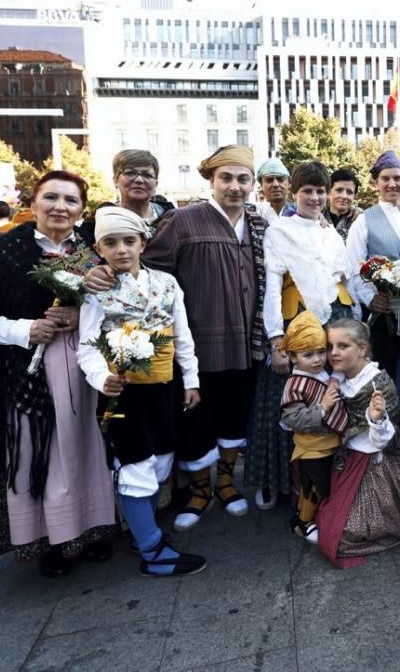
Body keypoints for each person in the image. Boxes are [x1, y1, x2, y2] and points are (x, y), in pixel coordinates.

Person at [86, 144, 268, 531]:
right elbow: (147, 273)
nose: (235, 187)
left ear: (252, 184)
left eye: (242, 179)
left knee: (236, 416)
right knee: (195, 420)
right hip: (195, 345)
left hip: (245, 343)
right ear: (211, 181)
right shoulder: (184, 220)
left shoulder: (258, 225)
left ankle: (226, 484)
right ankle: (199, 490)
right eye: (226, 178)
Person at [0, 170, 117, 576]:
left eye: (71, 200)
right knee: (39, 455)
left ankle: (94, 529)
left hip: (82, 370)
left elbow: (115, 307)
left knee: (86, 449)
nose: (61, 207)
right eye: (52, 197)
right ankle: (50, 540)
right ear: (33, 202)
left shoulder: (89, 253)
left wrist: (78, 313)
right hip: (23, 371)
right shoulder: (6, 251)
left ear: (82, 210)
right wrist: (26, 329)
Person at [77, 206, 207, 576]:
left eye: (129, 241)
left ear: (143, 243)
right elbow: (86, 344)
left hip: (164, 386)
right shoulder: (96, 291)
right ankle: (152, 552)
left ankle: (142, 531)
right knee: (135, 463)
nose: (121, 249)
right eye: (111, 243)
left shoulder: (167, 283)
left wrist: (192, 379)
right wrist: (102, 378)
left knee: (163, 458)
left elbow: (182, 334)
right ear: (99, 248)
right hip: (124, 391)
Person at [248, 161, 351, 511]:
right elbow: (272, 287)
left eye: (321, 190)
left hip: (334, 317)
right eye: (308, 190)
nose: (316, 197)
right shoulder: (279, 231)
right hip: (295, 320)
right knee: (287, 397)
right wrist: (277, 340)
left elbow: (345, 277)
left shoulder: (330, 232)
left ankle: (326, 477)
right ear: (296, 192)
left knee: (332, 394)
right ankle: (277, 481)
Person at [317, 318, 400, 567]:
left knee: (345, 535)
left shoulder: (379, 383)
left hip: (376, 463)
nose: (334, 353)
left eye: (342, 346)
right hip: (347, 459)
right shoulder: (340, 375)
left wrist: (376, 418)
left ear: (362, 349)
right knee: (330, 525)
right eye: (330, 346)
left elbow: (386, 441)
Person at [344, 150, 400, 424]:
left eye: (397, 178)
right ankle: (386, 432)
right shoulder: (365, 219)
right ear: (375, 183)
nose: (392, 184)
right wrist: (370, 298)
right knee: (385, 371)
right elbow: (353, 265)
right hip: (384, 313)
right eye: (385, 179)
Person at [277, 311, 347, 544]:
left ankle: (319, 518)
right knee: (314, 487)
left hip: (330, 442)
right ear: (292, 356)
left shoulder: (325, 374)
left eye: (321, 352)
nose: (317, 359)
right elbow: (293, 419)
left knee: (326, 484)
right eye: (308, 354)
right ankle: (304, 522)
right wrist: (323, 408)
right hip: (311, 447)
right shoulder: (294, 384)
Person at [111, 149, 166, 228]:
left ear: (156, 184)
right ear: (115, 180)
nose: (139, 180)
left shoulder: (173, 220)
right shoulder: (98, 222)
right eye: (130, 173)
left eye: (147, 175)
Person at [326, 167, 362, 241]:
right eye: (339, 190)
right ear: (329, 192)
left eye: (349, 192)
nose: (344, 196)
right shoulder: (316, 218)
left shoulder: (361, 221)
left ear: (354, 196)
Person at [255, 157, 292, 223]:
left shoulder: (300, 213)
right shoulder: (254, 213)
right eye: (269, 180)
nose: (275, 184)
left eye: (280, 179)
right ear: (261, 186)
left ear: (289, 185)